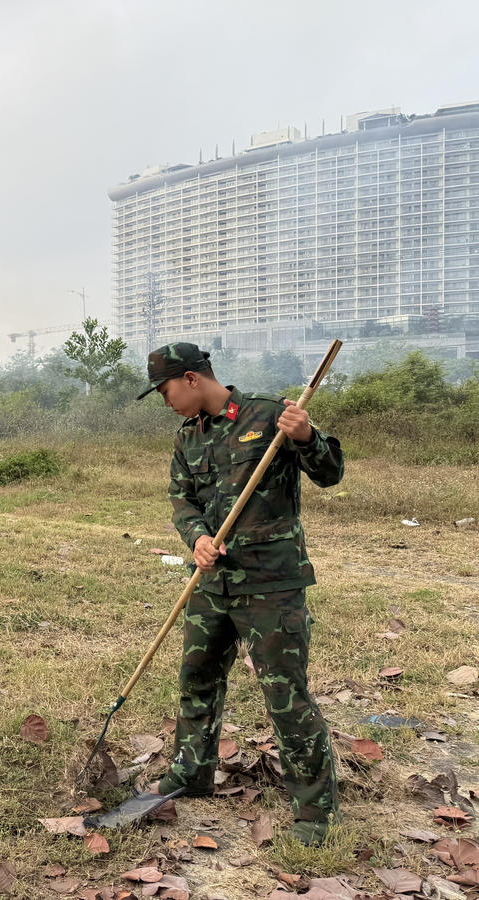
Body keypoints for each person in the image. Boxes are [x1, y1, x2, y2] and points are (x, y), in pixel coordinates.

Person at [137, 342, 345, 846]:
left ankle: (316, 811)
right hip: (213, 583)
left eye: (164, 390)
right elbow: (182, 499)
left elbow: (330, 473)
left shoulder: (271, 416)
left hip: (271, 583)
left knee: (285, 694)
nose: (164, 401)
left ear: (190, 379)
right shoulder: (188, 437)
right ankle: (192, 773)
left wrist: (309, 437)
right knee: (197, 678)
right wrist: (198, 539)